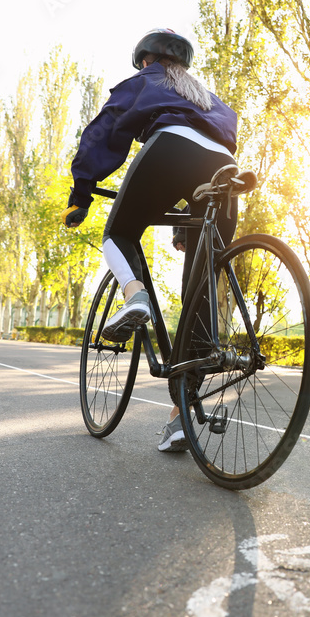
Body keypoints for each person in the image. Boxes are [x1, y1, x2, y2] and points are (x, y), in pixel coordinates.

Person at [61, 28, 238, 453]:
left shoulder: (145, 81)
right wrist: (184, 225)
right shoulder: (208, 98)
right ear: (184, 63)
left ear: (145, 60)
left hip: (170, 150)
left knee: (119, 233)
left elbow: (105, 130)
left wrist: (81, 192)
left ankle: (134, 294)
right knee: (199, 293)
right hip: (225, 169)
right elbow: (204, 154)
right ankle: (181, 419)